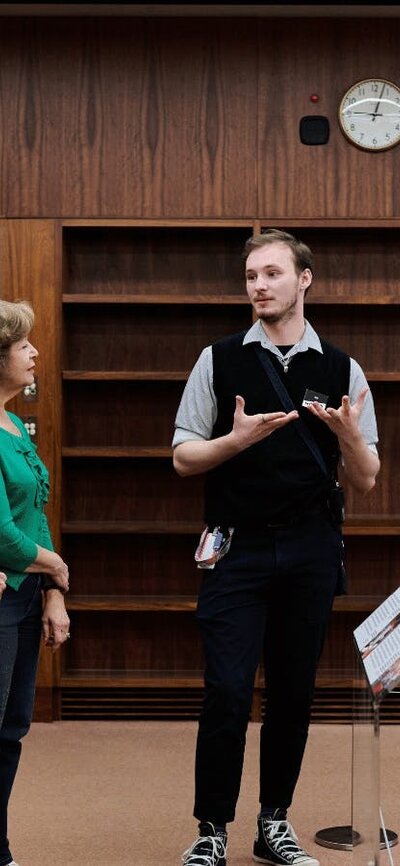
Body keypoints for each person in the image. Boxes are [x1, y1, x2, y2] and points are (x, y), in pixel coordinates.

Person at [172, 229, 380, 866]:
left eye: (271, 274)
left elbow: (367, 476)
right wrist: (236, 441)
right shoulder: (219, 358)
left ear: (304, 279)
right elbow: (183, 457)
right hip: (236, 549)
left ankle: (273, 823)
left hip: (312, 549)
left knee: (293, 691)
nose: (258, 286)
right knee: (228, 689)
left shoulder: (343, 368)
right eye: (250, 277)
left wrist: (347, 436)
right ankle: (212, 829)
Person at [0, 299, 70, 866]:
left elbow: (34, 513)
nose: (35, 353)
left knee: (10, 728)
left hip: (23, 594)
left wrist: (52, 592)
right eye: (23, 346)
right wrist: (55, 564)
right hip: (2, 595)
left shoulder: (16, 423)